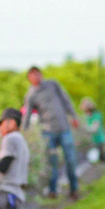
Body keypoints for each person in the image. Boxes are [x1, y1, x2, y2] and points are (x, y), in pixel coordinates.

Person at [21, 67, 80, 200]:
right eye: (33, 75)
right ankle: (52, 191)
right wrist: (23, 132)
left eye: (38, 74)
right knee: (52, 162)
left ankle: (74, 189)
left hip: (64, 128)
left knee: (70, 159)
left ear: (41, 75)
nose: (36, 77)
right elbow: (27, 115)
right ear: (29, 79)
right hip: (47, 132)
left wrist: (74, 116)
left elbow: (66, 100)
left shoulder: (52, 84)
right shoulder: (30, 95)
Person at [79, 97, 105, 162]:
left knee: (103, 158)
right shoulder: (87, 116)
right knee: (100, 156)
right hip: (92, 141)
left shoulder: (96, 115)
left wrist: (84, 128)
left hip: (99, 139)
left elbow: (94, 128)